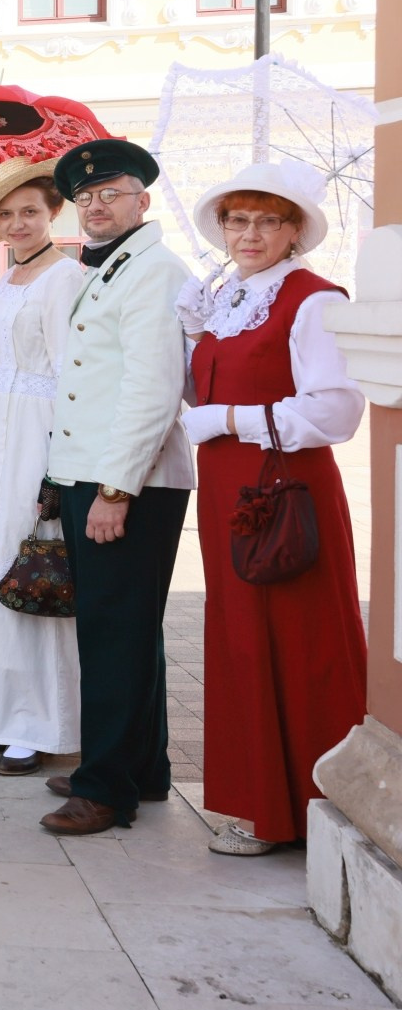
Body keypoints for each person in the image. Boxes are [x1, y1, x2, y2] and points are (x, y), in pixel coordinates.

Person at [177, 160, 366, 855]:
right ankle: (260, 803)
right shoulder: (223, 298)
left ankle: (315, 804)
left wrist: (227, 418)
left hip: (286, 492)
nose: (249, 232)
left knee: (300, 637)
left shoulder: (314, 300)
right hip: (230, 491)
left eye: (267, 220)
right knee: (239, 638)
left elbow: (337, 411)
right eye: (237, 219)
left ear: (294, 231)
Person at [39, 139, 194, 837]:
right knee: (129, 629)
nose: (97, 205)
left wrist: (116, 488)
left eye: (111, 193)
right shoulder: (113, 268)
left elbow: (151, 390)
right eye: (86, 197)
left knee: (111, 632)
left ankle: (105, 788)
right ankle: (140, 765)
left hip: (126, 480)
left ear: (143, 200)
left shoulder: (154, 270)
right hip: (93, 472)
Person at [0, 158, 86, 777]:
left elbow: (72, 374)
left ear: (52, 213)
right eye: (6, 215)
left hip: (38, 433)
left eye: (30, 212)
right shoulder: (4, 281)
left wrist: (59, 465)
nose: (18, 224)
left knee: (34, 560)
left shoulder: (66, 278)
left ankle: (41, 720)